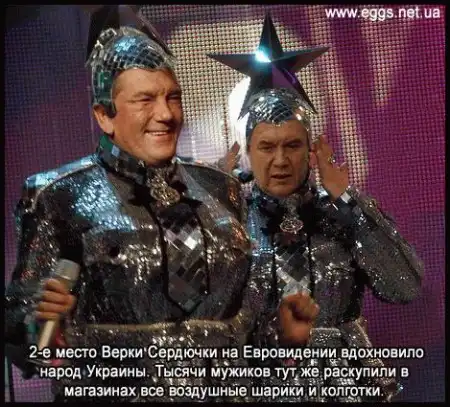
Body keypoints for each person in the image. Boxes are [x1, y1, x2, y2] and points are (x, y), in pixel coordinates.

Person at [4, 7, 318, 403]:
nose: (166, 114)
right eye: (145, 100)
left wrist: (282, 335)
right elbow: (23, 340)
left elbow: (244, 326)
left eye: (173, 97)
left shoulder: (222, 188)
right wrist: (41, 328)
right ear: (104, 115)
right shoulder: (58, 196)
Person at [209, 13, 424, 403]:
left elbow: (404, 288)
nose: (280, 160)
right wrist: (208, 209)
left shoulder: (343, 212)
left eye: (292, 145)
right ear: (247, 152)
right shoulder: (229, 219)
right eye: (266, 147)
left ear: (311, 149)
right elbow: (197, 325)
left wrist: (349, 203)